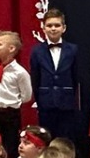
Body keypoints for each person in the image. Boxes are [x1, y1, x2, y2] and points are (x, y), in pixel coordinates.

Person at [29, 8, 84, 147]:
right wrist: (40, 100)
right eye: (49, 25)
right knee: (47, 139)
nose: (53, 29)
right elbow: (35, 79)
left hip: (67, 104)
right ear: (43, 28)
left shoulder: (73, 50)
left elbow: (76, 77)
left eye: (57, 25)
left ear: (64, 28)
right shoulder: (37, 51)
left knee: (66, 140)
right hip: (46, 104)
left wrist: (72, 100)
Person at [0, 31, 35, 155]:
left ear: (11, 49)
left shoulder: (20, 73)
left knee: (11, 144)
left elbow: (26, 96)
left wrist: (11, 101)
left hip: (10, 114)